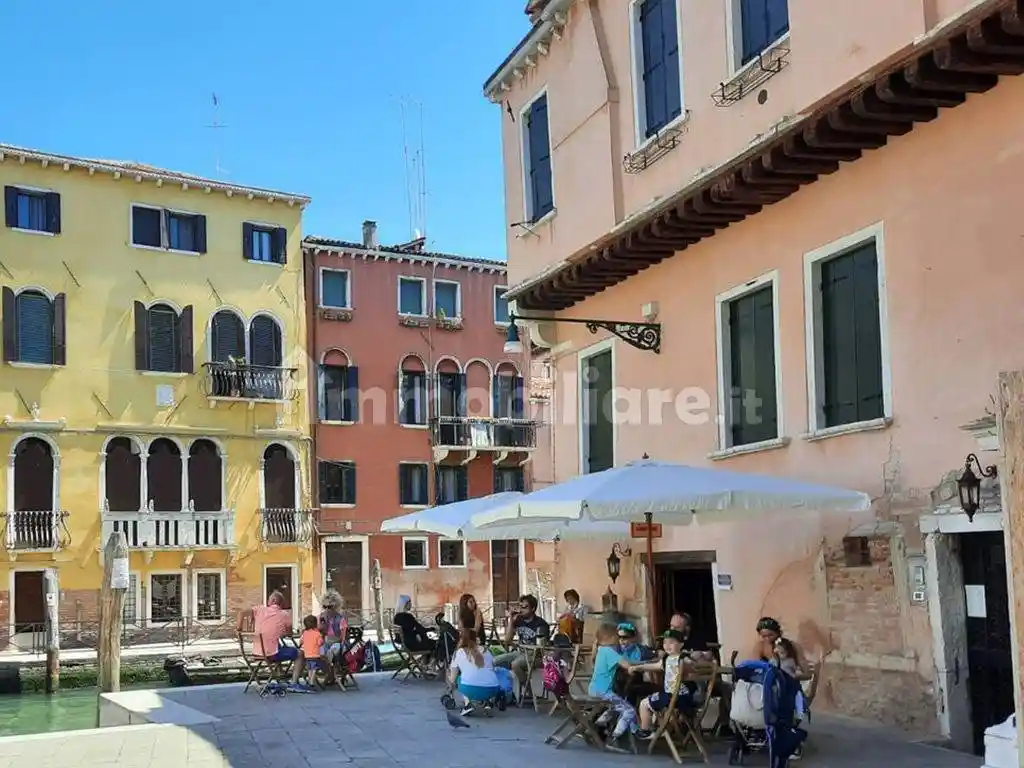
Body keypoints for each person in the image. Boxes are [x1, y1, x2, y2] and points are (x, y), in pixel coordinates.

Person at [629, 629, 698, 740]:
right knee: (656, 700)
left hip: (674, 698)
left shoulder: (682, 658)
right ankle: (662, 729)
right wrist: (638, 667)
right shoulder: (667, 659)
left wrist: (690, 667)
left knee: (644, 704)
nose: (667, 645)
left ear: (681, 644)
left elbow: (693, 665)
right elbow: (655, 666)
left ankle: (646, 732)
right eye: (665, 642)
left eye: (671, 642)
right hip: (682, 698)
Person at [588, 623, 638, 741]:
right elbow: (626, 664)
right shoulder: (609, 652)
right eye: (617, 636)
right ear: (610, 638)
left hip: (594, 689)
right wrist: (634, 669)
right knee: (629, 710)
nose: (619, 639)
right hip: (604, 692)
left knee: (615, 708)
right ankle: (616, 734)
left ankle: (598, 725)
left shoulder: (600, 650)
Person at [495, 594, 550, 694]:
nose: (521, 610)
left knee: (515, 664)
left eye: (525, 607)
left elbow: (541, 648)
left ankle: (528, 690)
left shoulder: (541, 624)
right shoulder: (519, 620)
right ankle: (499, 690)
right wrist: (511, 619)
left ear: (533, 609)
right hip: (520, 652)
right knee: (495, 661)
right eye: (520, 606)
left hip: (535, 655)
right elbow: (507, 640)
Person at [447, 629, 501, 717]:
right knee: (485, 675)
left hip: (470, 688)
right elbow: (492, 667)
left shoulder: (459, 652)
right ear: (477, 639)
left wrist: (448, 676)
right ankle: (488, 701)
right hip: (492, 688)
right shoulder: (487, 651)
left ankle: (468, 704)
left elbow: (452, 679)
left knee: (459, 678)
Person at [238, 590, 297, 667]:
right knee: (299, 653)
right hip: (272, 655)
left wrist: (239, 628)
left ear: (273, 600)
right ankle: (296, 675)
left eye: (269, 599)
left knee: (277, 645)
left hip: (257, 653)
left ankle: (278, 671)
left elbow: (241, 612)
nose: (267, 601)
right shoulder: (285, 615)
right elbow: (289, 634)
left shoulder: (259, 609)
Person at [318, 589, 348, 682]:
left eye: (330, 607)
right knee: (318, 652)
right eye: (325, 607)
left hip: (339, 643)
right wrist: (322, 626)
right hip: (326, 643)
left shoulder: (340, 619)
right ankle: (330, 673)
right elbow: (319, 634)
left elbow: (343, 638)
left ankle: (331, 674)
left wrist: (333, 640)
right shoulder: (321, 617)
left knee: (333, 649)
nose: (327, 609)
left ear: (336, 607)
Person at [290, 615, 322, 690]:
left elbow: (301, 642)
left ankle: (309, 681)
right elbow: (320, 643)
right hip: (315, 655)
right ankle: (311, 683)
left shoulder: (304, 633)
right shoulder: (317, 633)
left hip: (307, 655)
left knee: (309, 669)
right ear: (315, 624)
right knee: (314, 669)